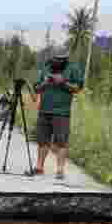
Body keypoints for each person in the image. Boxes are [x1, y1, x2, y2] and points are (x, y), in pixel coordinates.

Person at [33, 46, 84, 178]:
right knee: (42, 141)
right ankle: (39, 167)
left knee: (62, 142)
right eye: (56, 58)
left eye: (62, 59)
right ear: (52, 57)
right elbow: (37, 88)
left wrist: (63, 82)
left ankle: (60, 170)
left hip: (62, 112)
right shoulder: (45, 68)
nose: (58, 61)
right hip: (44, 110)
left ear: (66, 58)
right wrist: (46, 82)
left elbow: (77, 88)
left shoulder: (73, 69)